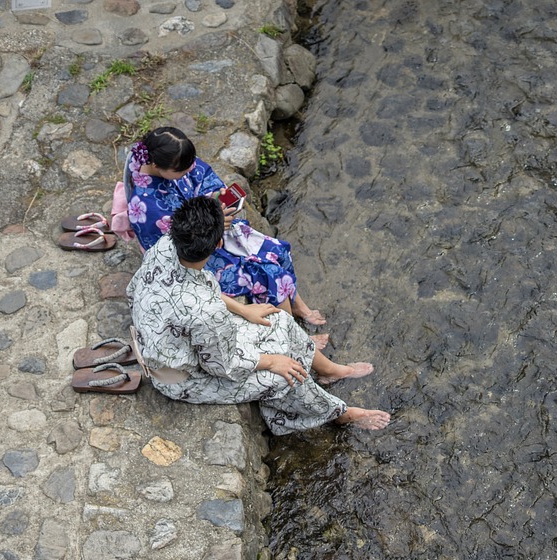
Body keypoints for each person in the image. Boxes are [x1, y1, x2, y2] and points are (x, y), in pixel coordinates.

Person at [128, 195, 391, 435]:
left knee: (278, 319)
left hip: (171, 337)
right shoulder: (206, 312)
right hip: (181, 379)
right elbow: (222, 365)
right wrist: (271, 361)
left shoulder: (163, 247)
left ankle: (329, 371)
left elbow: (194, 289)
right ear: (219, 243)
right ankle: (338, 414)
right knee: (288, 374)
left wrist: (243, 309)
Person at [125, 126, 327, 326]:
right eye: (182, 170)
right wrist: (216, 223)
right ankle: (293, 335)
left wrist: (216, 198)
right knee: (268, 273)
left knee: (277, 249)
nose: (190, 171)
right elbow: (181, 245)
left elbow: (203, 178)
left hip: (215, 228)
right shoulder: (147, 208)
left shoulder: (169, 160)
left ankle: (297, 304)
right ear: (158, 166)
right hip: (199, 254)